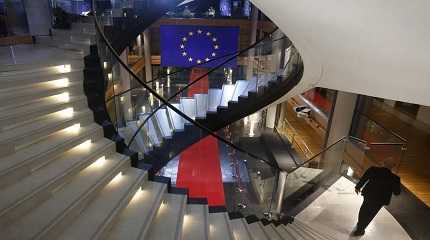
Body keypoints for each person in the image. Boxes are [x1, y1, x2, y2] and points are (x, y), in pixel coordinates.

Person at [353, 160, 401, 236]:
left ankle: (360, 225)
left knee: (364, 209)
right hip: (380, 200)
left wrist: (358, 187)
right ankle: (361, 229)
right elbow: (397, 192)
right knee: (371, 214)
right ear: (393, 167)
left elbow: (364, 178)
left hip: (369, 194)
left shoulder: (373, 169)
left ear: (384, 163)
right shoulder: (395, 178)